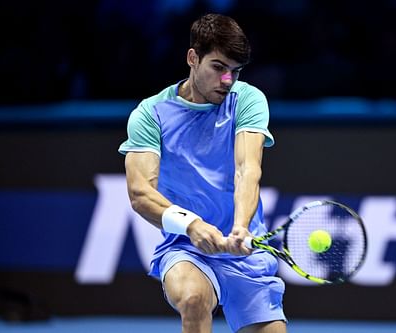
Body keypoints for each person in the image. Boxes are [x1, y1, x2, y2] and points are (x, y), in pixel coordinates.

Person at [118, 13, 287, 333]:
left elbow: (247, 169)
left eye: (235, 71)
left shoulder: (247, 100)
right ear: (193, 58)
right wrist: (191, 225)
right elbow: (141, 194)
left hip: (244, 250)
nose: (227, 80)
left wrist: (240, 227)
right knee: (194, 299)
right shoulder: (150, 113)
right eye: (218, 68)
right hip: (186, 247)